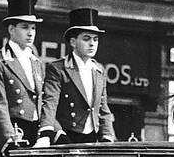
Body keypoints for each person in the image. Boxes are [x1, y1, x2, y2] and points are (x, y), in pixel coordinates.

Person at [39, 8, 117, 144]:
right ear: (73, 42)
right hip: (66, 136)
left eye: (95, 39)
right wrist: (51, 132)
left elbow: (103, 109)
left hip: (93, 137)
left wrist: (107, 136)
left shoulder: (99, 70)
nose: (92, 43)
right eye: (86, 39)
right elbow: (50, 103)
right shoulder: (58, 68)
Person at [0, 0, 48, 155]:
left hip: (36, 134)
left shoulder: (36, 62)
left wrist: (46, 133)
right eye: (25, 27)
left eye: (33, 28)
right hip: (14, 132)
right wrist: (10, 139)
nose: (31, 33)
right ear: (11, 29)